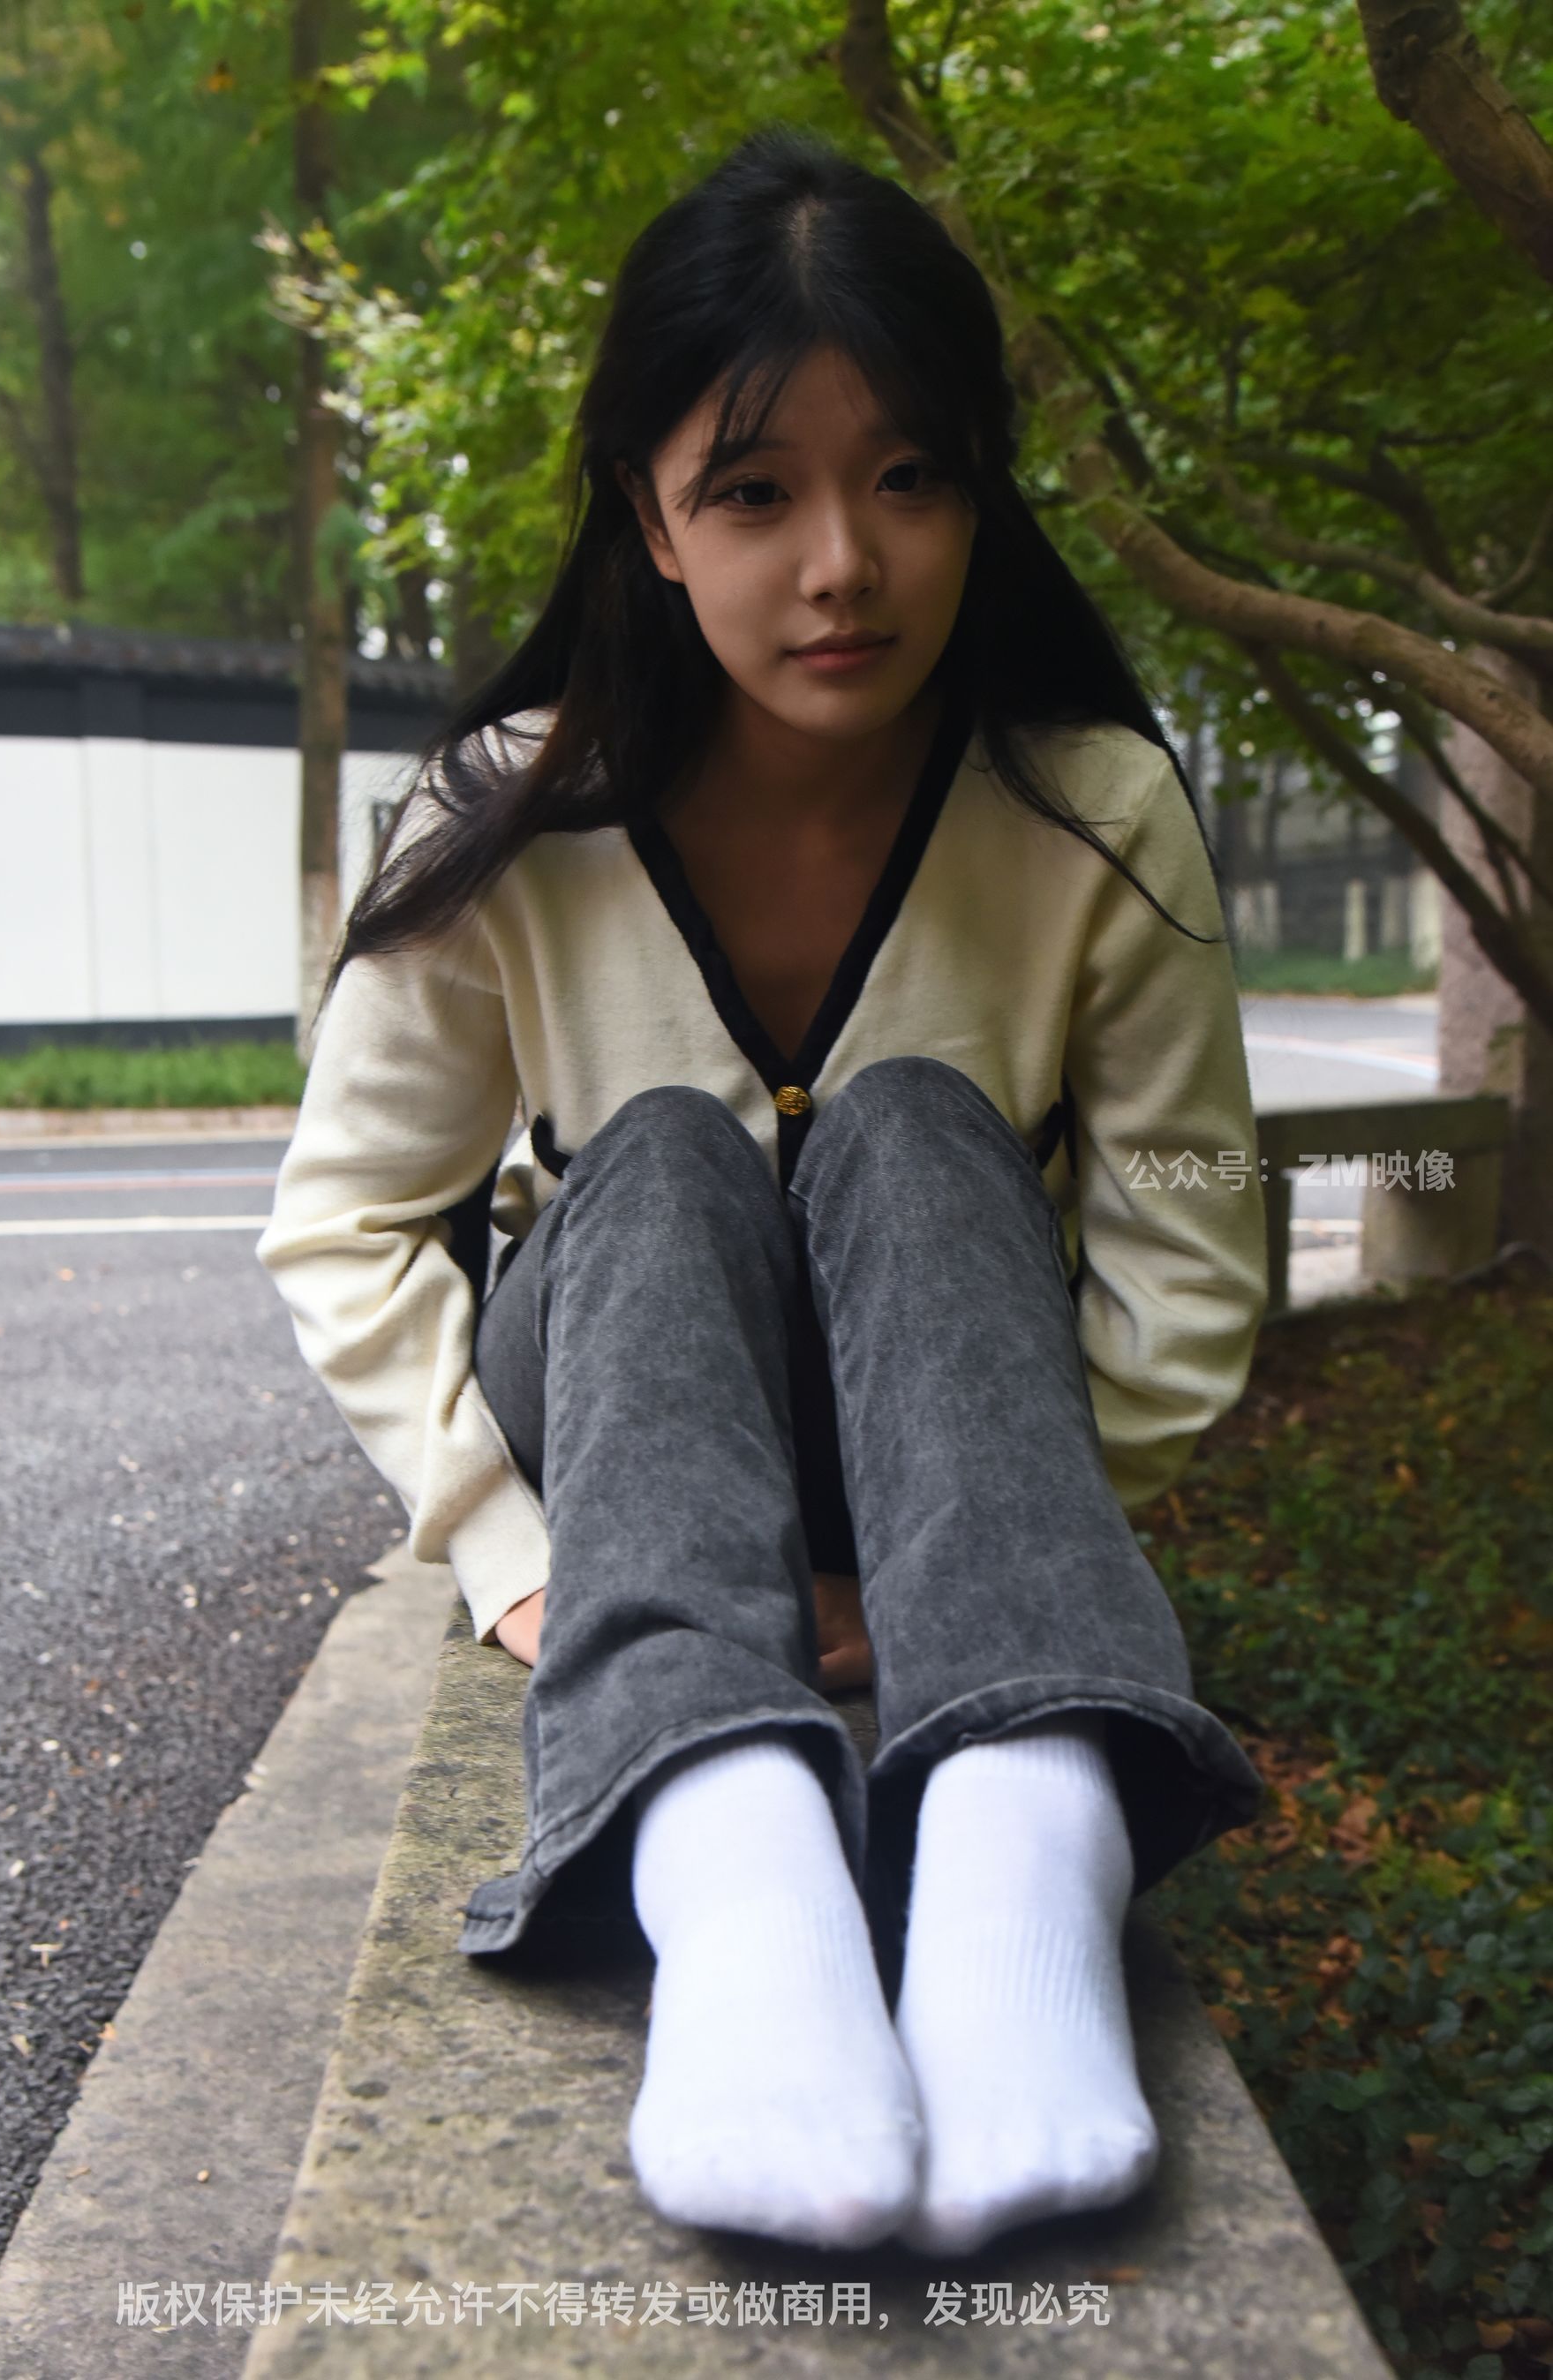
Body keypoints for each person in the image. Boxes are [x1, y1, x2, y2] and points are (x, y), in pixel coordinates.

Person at [256, 122, 1269, 2261]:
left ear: (981, 491)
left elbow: (1185, 1250)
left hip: (961, 1434)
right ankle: (731, 1874)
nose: (843, 564)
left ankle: (1020, 1846)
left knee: (917, 1126)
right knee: (650, 1156)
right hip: (630, 1427)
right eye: (753, 491)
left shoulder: (1093, 809)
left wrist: (964, 1557)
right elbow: (344, 1224)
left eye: (908, 477)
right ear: (649, 515)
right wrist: (512, 1550)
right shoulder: (513, 814)